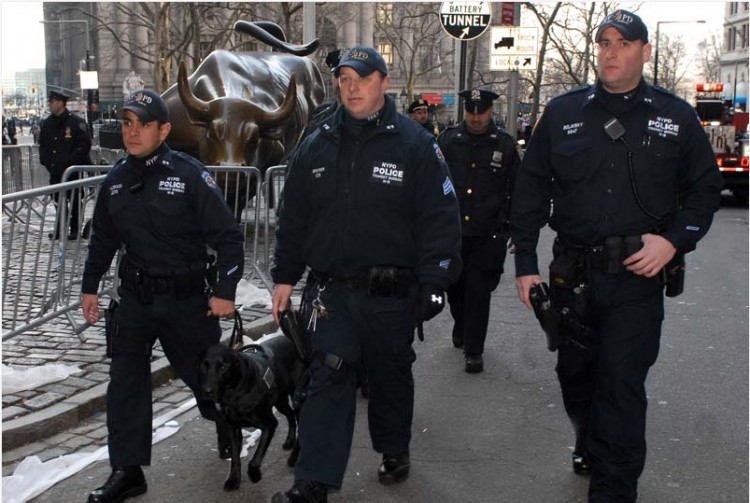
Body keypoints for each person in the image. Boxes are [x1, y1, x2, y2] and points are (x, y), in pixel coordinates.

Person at [509, 10, 722, 502]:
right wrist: (524, 264)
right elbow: (530, 192)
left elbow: (705, 190)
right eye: (604, 42)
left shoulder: (676, 116)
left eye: (623, 43)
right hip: (573, 276)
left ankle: (613, 488)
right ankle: (589, 437)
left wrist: (673, 241)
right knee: (575, 378)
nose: (610, 51)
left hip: (636, 279)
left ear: (644, 52)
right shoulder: (562, 114)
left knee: (622, 384)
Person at [270, 46, 462, 502]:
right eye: (343, 78)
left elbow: (440, 217)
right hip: (331, 293)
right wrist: (283, 277)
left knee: (390, 375)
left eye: (360, 77)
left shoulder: (415, 145)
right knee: (327, 376)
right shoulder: (316, 144)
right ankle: (312, 481)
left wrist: (435, 284)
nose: (350, 86)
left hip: (392, 295)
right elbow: (293, 217)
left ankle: (394, 447)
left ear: (383, 82)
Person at [80, 89, 245, 503]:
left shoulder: (190, 175)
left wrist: (225, 291)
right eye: (127, 124)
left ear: (164, 129)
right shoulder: (116, 181)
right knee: (125, 386)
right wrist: (89, 285)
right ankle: (128, 470)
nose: (133, 133)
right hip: (135, 301)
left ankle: (228, 423)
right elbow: (102, 238)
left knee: (207, 384)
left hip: (186, 302)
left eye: (143, 124)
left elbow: (228, 237)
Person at [438, 88, 521, 373]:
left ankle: (474, 350)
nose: (475, 118)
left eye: (481, 112)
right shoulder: (447, 141)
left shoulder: (505, 146)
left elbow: (516, 189)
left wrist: (510, 227)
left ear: (489, 112)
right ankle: (461, 324)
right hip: (454, 232)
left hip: (489, 233)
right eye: (471, 112)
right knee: (455, 289)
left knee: (479, 291)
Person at [38, 90, 92, 239]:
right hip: (55, 170)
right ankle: (61, 227)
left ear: (61, 102)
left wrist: (71, 161)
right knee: (58, 199)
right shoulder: (47, 124)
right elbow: (43, 145)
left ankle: (75, 228)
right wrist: (46, 161)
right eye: (50, 101)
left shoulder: (76, 122)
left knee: (75, 200)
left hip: (72, 170)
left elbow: (84, 145)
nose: (50, 104)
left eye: (53, 101)